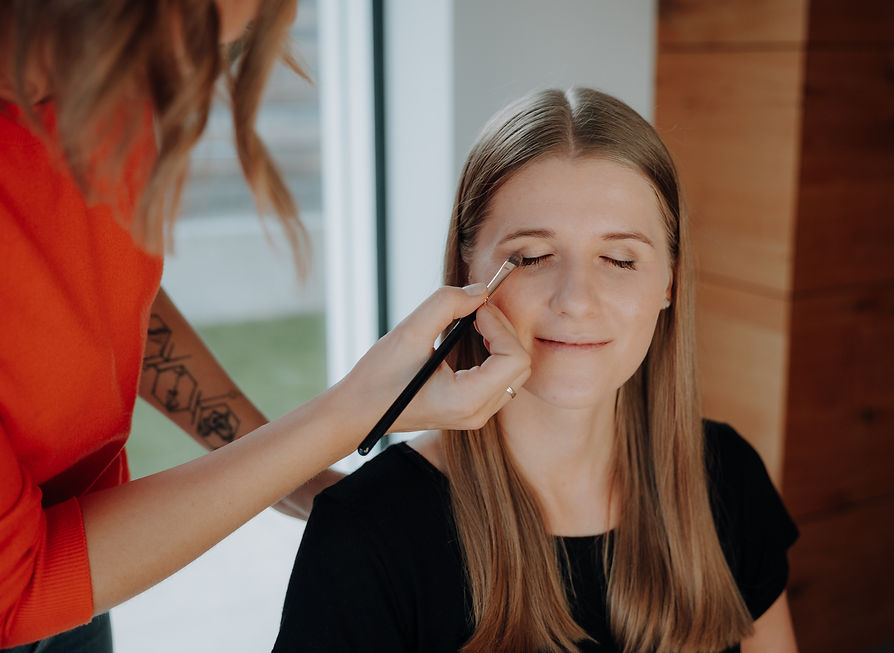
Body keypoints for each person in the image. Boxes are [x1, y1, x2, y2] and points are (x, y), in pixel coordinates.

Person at [0, 1, 530, 650]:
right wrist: (341, 415)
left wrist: (293, 475)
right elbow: (20, 585)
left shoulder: (88, 89)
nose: (172, 97)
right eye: (166, 48)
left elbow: (75, 283)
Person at [273, 87, 800, 653]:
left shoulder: (727, 477)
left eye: (620, 259)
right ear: (466, 271)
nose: (576, 299)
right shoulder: (363, 536)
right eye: (530, 258)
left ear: (668, 282)